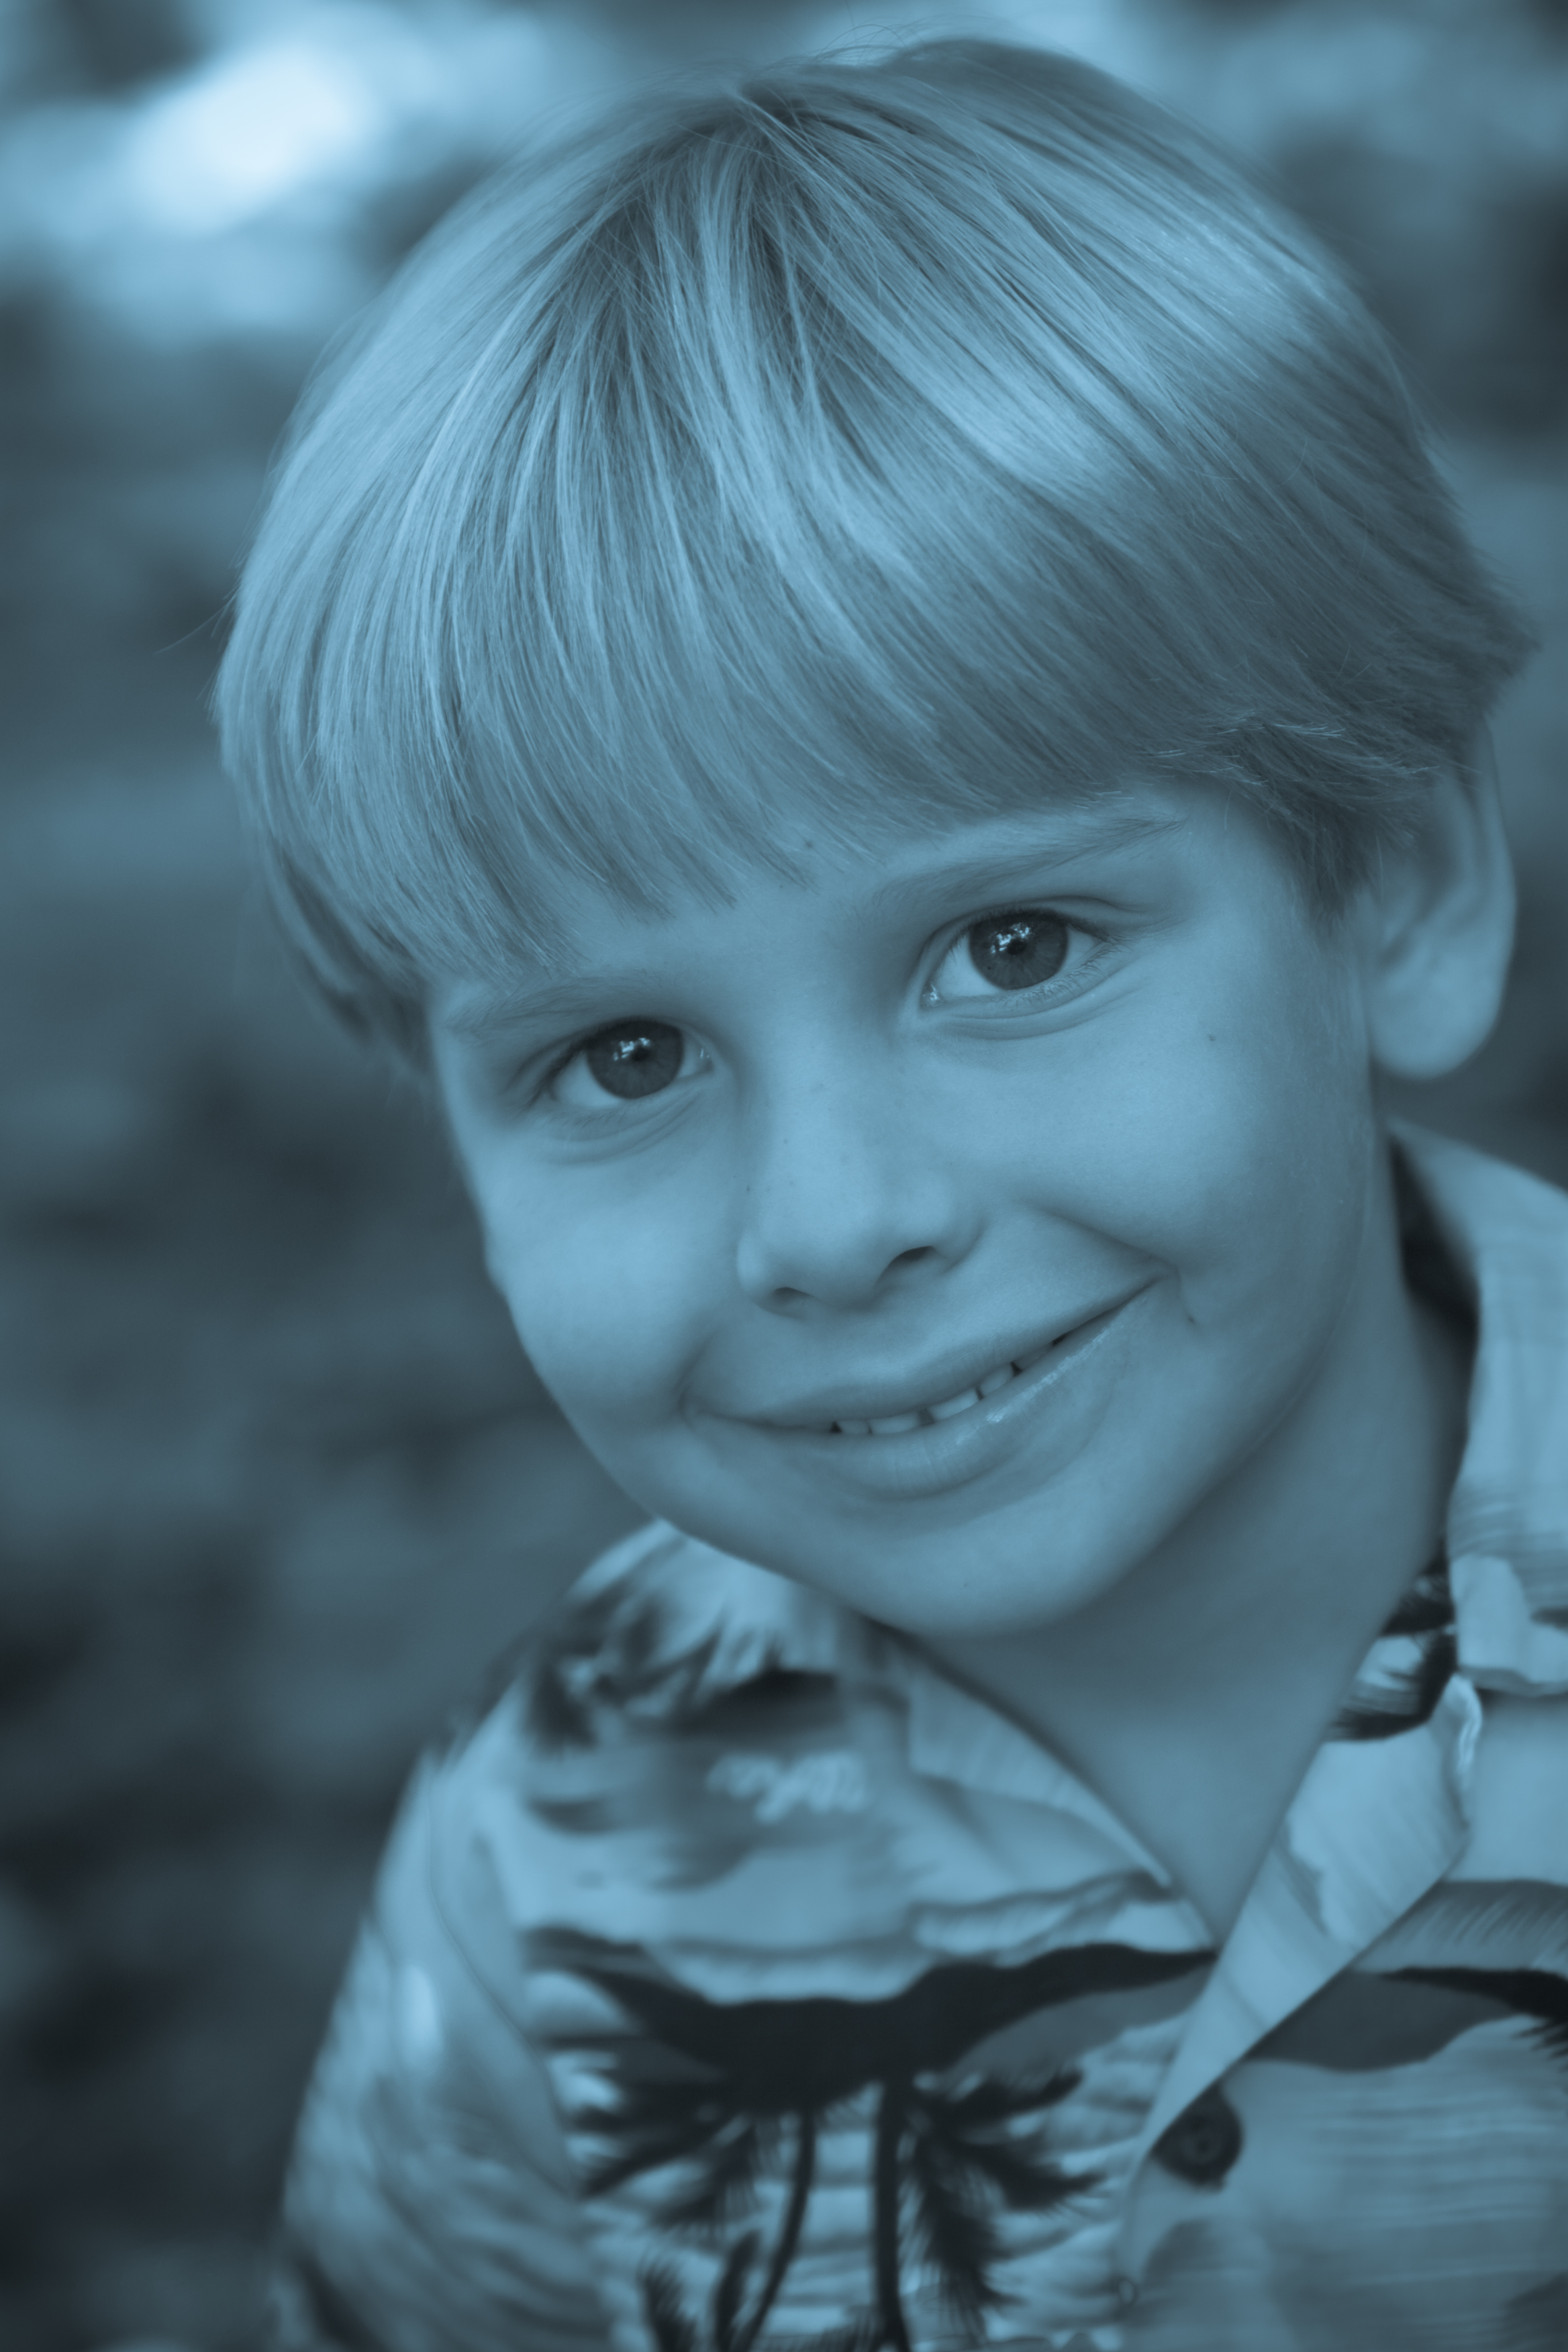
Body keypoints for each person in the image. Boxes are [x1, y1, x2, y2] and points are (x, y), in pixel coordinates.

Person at [215, 36, 1568, 2352]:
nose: (835, 1223)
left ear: (1396, 892)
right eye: (625, 1058)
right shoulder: (546, 1849)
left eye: (1012, 948)